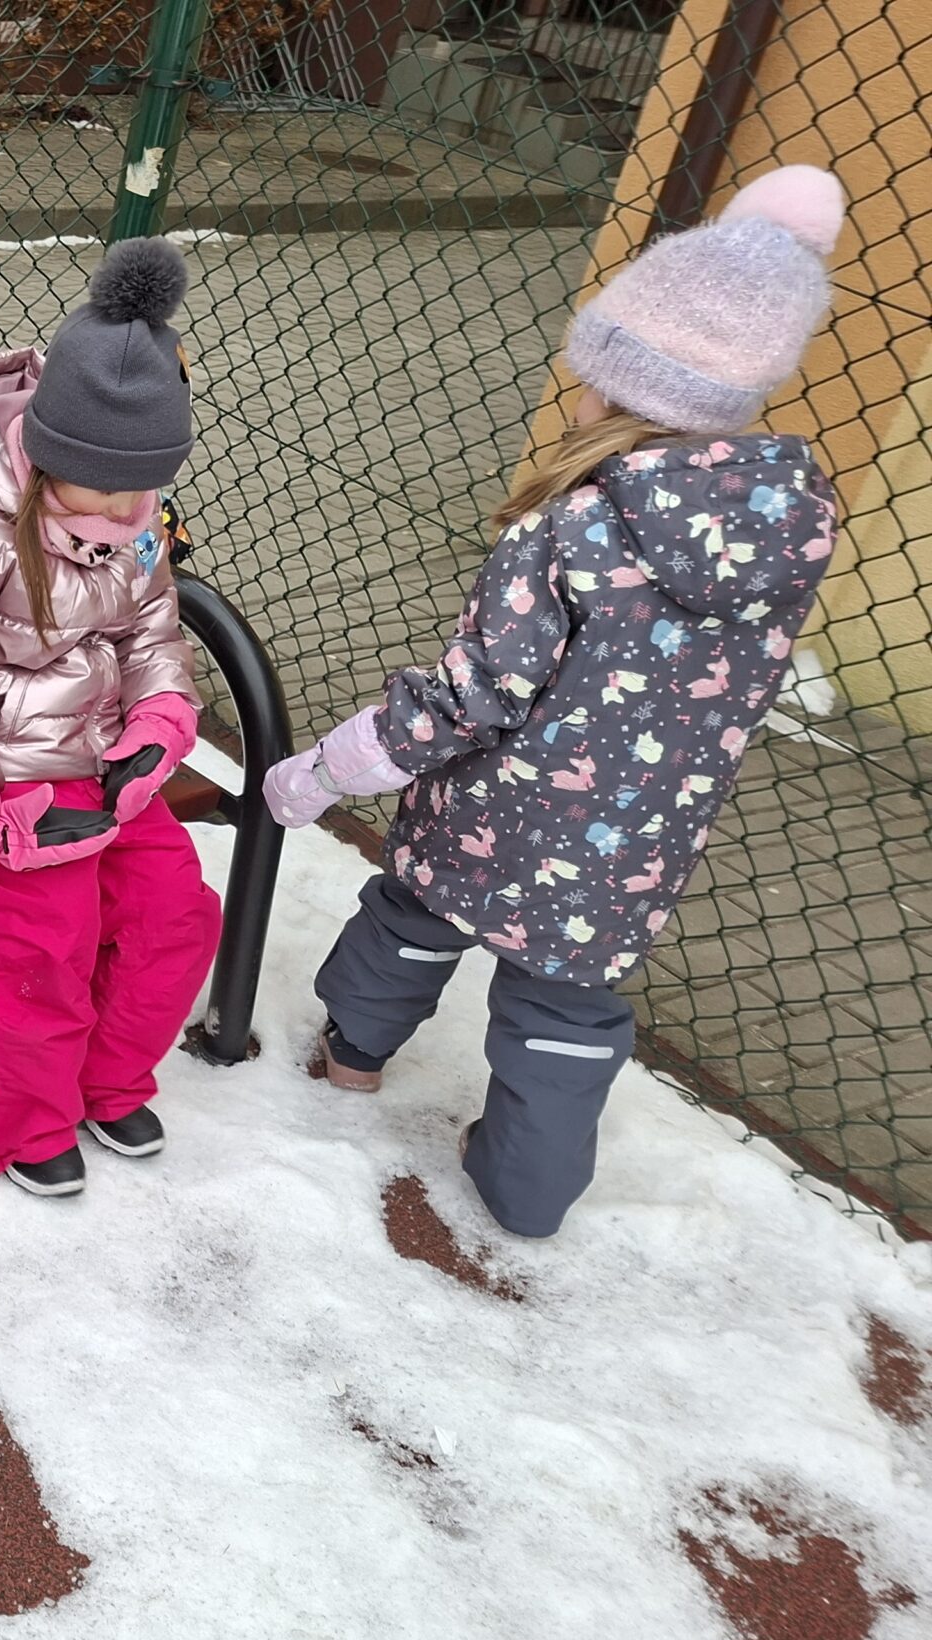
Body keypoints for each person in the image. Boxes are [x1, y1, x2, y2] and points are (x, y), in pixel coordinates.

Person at [265, 166, 846, 1239]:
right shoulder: (789, 533)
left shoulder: (573, 528)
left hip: (492, 814)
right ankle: (528, 1195)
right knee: (565, 1010)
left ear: (618, 389)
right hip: (635, 842)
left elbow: (473, 695)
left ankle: (351, 1058)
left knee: (411, 918)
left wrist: (333, 767)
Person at [0, 239, 222, 1198]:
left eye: (142, 487)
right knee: (40, 951)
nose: (125, 508)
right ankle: (28, 1117)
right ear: (47, 458)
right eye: (106, 485)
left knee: (175, 915)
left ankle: (105, 1081)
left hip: (105, 765)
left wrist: (160, 720)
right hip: (8, 783)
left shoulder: (134, 522)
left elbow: (154, 633)